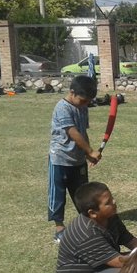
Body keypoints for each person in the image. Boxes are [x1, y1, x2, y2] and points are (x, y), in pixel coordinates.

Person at [56, 182, 137, 273]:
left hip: (103, 266)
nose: (114, 202)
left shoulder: (110, 216)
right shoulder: (86, 234)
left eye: (112, 198)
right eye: (108, 202)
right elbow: (120, 262)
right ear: (92, 213)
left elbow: (130, 240)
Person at [47, 75, 102, 243]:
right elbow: (73, 132)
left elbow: (83, 132)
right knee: (58, 194)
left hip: (78, 159)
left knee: (82, 193)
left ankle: (86, 224)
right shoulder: (62, 107)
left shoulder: (83, 107)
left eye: (88, 101)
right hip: (60, 159)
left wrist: (87, 154)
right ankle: (59, 228)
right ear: (72, 92)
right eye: (83, 100)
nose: (85, 104)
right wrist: (91, 151)